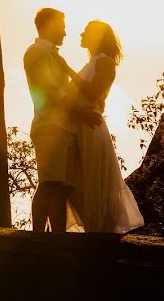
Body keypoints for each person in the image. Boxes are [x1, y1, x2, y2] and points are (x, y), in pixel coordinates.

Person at [58, 20, 144, 234]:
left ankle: (97, 232)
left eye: (86, 31)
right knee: (74, 181)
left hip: (91, 128)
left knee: (92, 180)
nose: (81, 33)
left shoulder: (105, 62)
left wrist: (67, 69)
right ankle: (92, 230)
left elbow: (92, 93)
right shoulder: (92, 63)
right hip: (78, 126)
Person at [24, 8, 102, 233]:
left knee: (62, 188)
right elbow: (49, 91)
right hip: (49, 126)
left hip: (64, 128)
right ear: (48, 25)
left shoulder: (55, 56)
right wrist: (81, 112)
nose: (66, 33)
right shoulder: (35, 53)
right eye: (62, 26)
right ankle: (38, 236)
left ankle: (58, 237)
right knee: (49, 184)